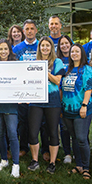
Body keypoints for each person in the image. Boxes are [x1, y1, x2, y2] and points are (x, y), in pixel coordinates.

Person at [27, 37, 65, 174]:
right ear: (39, 48)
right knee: (32, 132)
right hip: (36, 101)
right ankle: (35, 160)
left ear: (51, 48)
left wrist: (45, 70)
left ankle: (52, 163)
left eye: (47, 46)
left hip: (52, 100)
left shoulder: (58, 62)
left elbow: (57, 81)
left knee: (52, 132)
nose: (45, 48)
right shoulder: (33, 62)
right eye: (42, 46)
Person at [61, 43, 92, 180]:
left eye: (77, 51)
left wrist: (84, 105)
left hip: (81, 109)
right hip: (67, 110)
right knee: (74, 138)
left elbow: (88, 89)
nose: (74, 53)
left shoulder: (86, 69)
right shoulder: (67, 69)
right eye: (72, 51)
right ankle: (79, 165)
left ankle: (86, 168)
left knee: (81, 138)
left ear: (82, 53)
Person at [0, 39, 21, 178]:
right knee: (0, 133)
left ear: (10, 50)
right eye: (1, 49)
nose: (3, 52)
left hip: (11, 103)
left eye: (6, 49)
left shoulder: (16, 65)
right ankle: (4, 160)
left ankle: (16, 164)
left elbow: (21, 82)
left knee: (12, 133)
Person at [13, 20, 40, 157]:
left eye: (32, 28)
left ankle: (44, 148)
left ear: (36, 30)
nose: (29, 31)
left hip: (39, 89)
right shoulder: (17, 49)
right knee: (23, 120)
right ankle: (24, 147)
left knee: (41, 120)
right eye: (27, 29)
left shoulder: (42, 46)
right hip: (22, 89)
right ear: (23, 32)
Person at [56, 35, 74, 163]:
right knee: (64, 127)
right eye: (61, 44)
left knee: (78, 128)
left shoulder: (76, 58)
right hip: (61, 95)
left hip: (75, 97)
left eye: (66, 43)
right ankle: (67, 153)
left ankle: (79, 151)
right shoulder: (57, 60)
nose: (64, 46)